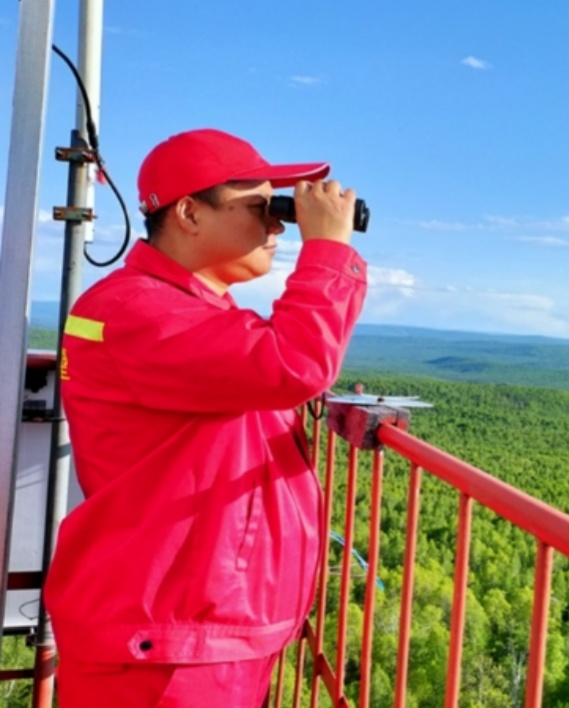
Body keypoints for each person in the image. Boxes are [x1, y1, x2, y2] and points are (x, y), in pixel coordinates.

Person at [44, 128, 368, 706]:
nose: (278, 226)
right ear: (190, 213)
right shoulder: (138, 310)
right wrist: (328, 251)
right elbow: (295, 364)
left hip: (189, 635)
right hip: (167, 650)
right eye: (262, 208)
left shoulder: (180, 308)